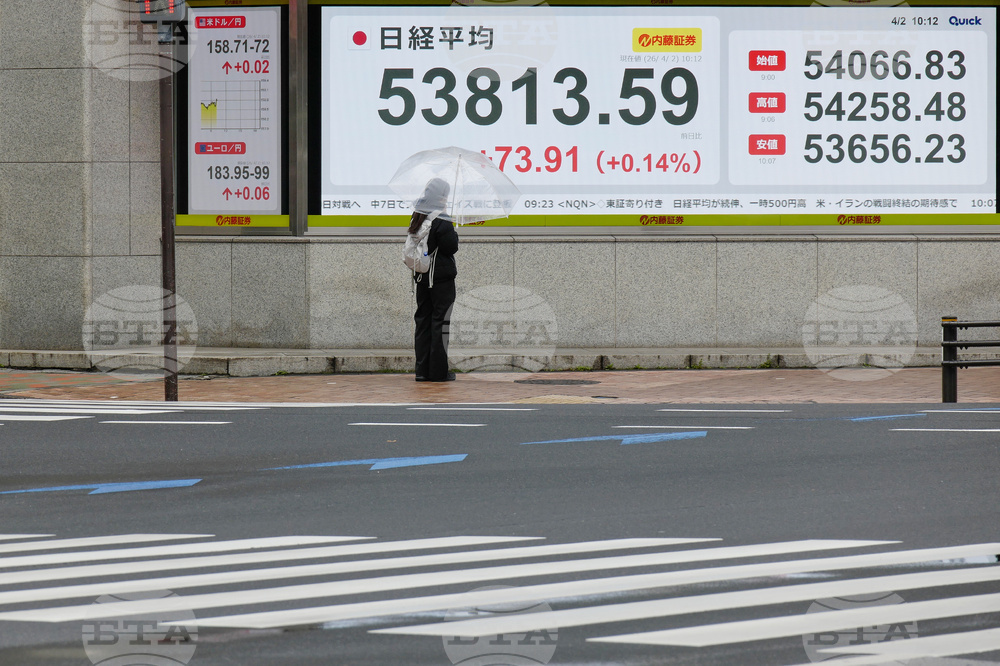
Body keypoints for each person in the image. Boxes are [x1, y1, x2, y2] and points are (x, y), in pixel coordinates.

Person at [408, 178, 459, 382]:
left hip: (422, 276)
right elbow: (450, 247)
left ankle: (422, 370)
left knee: (423, 321)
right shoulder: (442, 218)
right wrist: (453, 232)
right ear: (442, 196)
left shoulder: (419, 214)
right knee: (440, 322)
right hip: (440, 279)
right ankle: (438, 372)